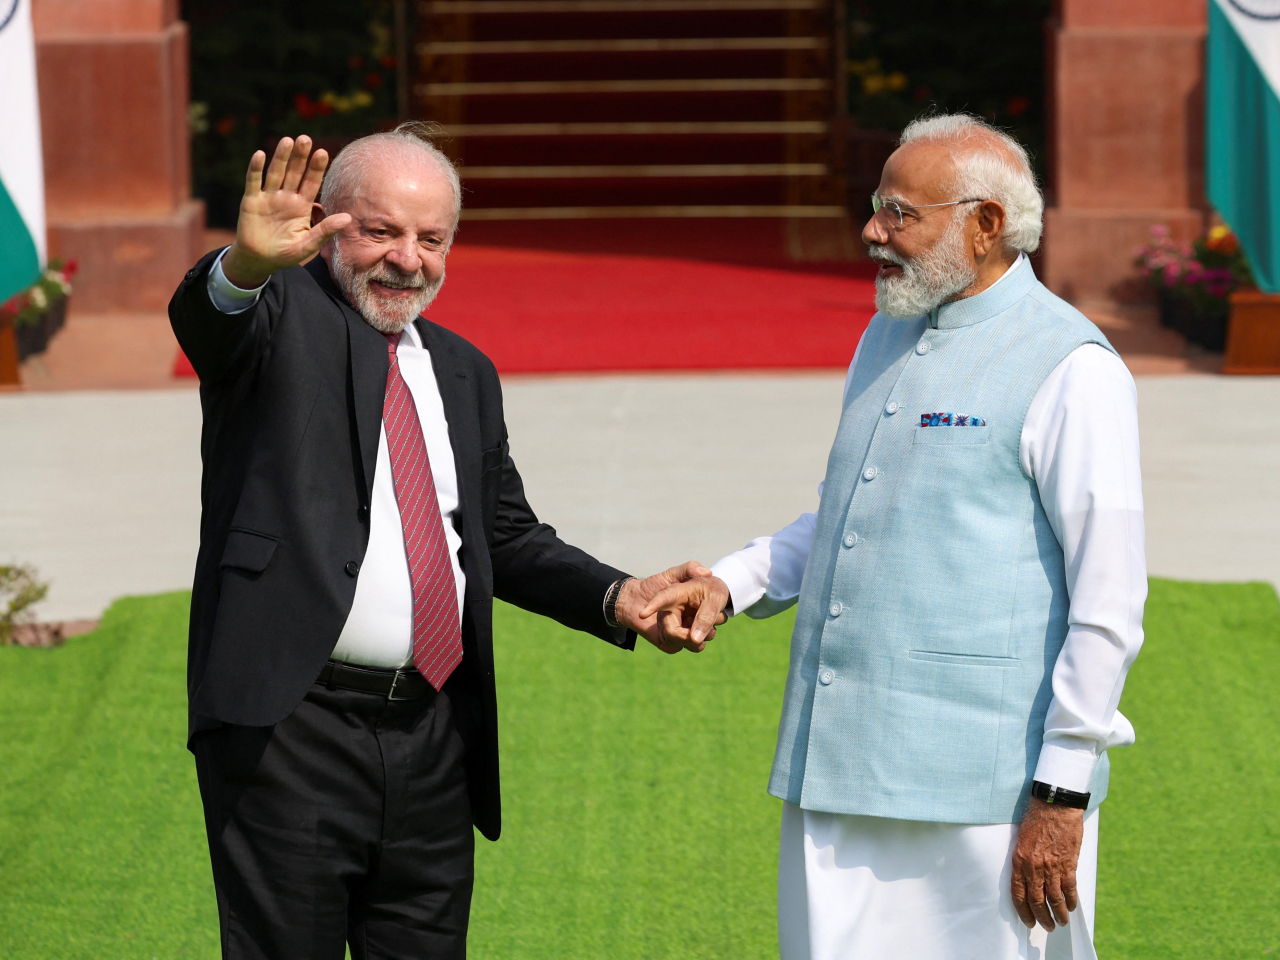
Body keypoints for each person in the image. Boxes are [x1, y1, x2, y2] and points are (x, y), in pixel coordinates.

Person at [169, 124, 713, 960]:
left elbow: (503, 536)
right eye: (381, 231)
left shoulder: (464, 370)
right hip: (289, 733)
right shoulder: (275, 318)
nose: (407, 260)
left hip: (434, 737)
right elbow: (209, 321)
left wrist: (616, 596)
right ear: (325, 222)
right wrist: (244, 266)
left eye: (432, 239)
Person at [643, 113, 1146, 960]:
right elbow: (852, 513)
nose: (872, 232)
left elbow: (1110, 602)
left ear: (986, 224)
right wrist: (734, 581)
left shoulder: (1074, 367)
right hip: (835, 765)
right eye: (877, 208)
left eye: (899, 214)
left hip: (986, 797)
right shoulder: (887, 330)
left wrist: (1061, 792)